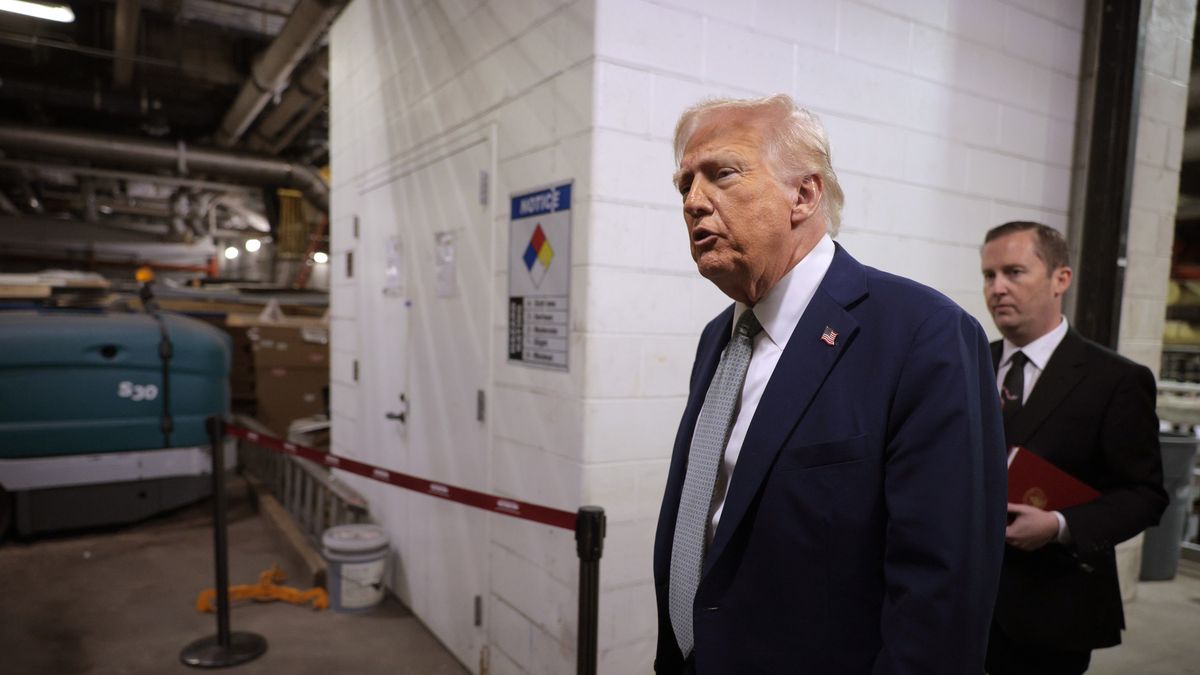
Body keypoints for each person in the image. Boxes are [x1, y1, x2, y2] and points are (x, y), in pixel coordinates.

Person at [652, 94, 1008, 675]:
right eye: (685, 184)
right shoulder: (719, 338)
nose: (694, 202)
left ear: (805, 194)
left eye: (722, 174)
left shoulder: (923, 335)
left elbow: (943, 595)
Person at [979, 221, 1168, 675]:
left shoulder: (1116, 381)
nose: (997, 288)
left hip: (1050, 607)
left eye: (1014, 272)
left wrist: (1060, 524)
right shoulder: (970, 363)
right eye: (989, 276)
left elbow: (1144, 496)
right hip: (966, 600)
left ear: (1060, 279)